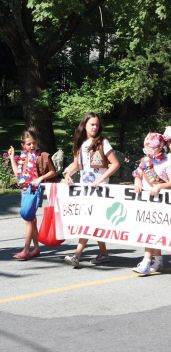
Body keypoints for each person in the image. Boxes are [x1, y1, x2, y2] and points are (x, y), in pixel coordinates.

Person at [64, 112, 120, 268]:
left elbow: (115, 164)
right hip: (85, 190)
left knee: (88, 222)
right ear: (85, 125)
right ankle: (103, 254)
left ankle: (77, 255)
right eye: (92, 124)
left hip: (99, 190)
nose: (95, 127)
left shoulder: (103, 143)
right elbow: (77, 165)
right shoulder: (81, 144)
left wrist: (100, 180)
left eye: (97, 124)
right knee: (93, 222)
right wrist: (68, 175)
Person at [132, 132, 171, 275]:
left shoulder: (168, 162)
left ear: (159, 147)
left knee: (151, 231)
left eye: (150, 147)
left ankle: (146, 261)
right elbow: (138, 173)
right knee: (150, 231)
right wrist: (137, 181)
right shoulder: (145, 160)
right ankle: (158, 261)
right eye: (146, 146)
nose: (147, 149)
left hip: (160, 202)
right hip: (146, 200)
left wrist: (159, 187)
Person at [9, 128, 56, 260]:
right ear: (23, 145)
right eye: (28, 144)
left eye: (34, 143)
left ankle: (25, 250)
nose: (31, 146)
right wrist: (12, 158)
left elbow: (53, 171)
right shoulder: (23, 157)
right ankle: (36, 248)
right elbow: (18, 174)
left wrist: (40, 178)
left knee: (28, 219)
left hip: (34, 191)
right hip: (25, 190)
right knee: (32, 220)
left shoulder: (41, 156)